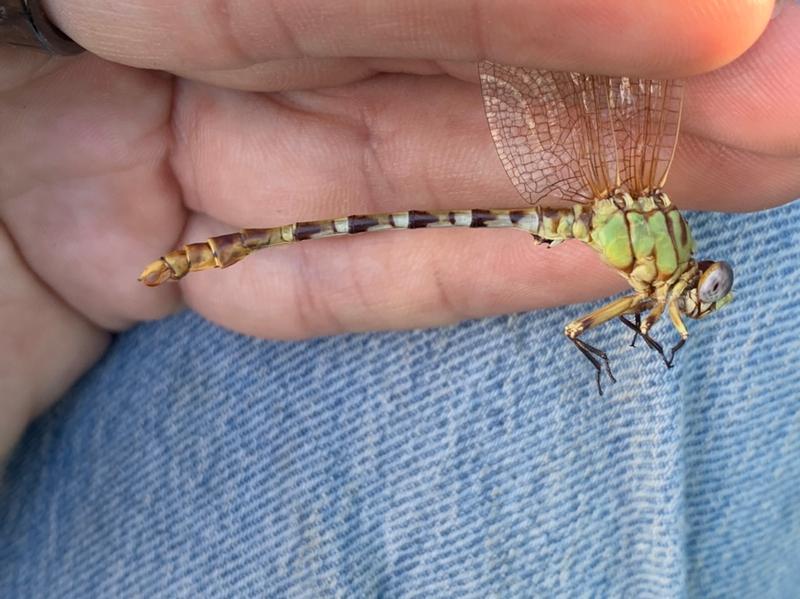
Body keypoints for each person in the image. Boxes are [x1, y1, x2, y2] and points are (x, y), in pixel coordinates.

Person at [2, 1, 799, 596]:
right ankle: (223, 251)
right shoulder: (656, 244)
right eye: (700, 291)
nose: (693, 299)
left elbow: (605, 320)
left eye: (697, 296)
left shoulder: (656, 270)